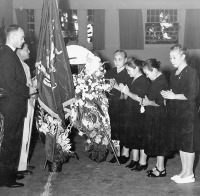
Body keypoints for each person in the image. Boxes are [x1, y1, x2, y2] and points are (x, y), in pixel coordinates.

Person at [161, 44, 200, 183]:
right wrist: (167, 95)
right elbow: (174, 93)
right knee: (182, 144)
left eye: (174, 57)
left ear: (183, 56)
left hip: (188, 113)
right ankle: (184, 171)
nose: (171, 60)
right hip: (177, 113)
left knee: (188, 145)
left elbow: (192, 95)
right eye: (170, 57)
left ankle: (189, 174)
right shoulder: (174, 73)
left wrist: (173, 96)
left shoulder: (191, 72)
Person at [0, 24, 32, 188]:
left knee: (14, 142)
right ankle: (5, 179)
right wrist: (29, 89)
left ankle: (10, 173)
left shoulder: (9, 54)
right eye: (21, 36)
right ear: (12, 37)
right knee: (9, 143)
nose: (23, 39)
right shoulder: (6, 55)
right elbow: (10, 83)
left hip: (14, 105)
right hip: (10, 106)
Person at [119, 57, 150, 170]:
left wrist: (127, 92)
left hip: (140, 113)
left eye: (129, 70)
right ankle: (135, 159)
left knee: (141, 139)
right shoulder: (132, 79)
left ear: (136, 68)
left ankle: (143, 162)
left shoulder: (144, 80)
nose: (128, 72)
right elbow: (127, 96)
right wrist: (123, 90)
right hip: (131, 112)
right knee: (134, 137)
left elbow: (141, 99)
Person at [142, 59, 169, 177]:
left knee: (159, 142)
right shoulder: (157, 79)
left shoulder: (161, 82)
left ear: (154, 70)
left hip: (159, 116)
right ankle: (158, 166)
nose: (147, 77)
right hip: (154, 115)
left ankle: (161, 169)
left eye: (147, 74)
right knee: (157, 142)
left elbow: (161, 102)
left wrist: (148, 103)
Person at [105, 50, 131, 164]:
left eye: (120, 59)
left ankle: (125, 153)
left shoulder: (128, 72)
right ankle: (116, 153)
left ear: (125, 60)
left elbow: (128, 90)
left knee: (124, 129)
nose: (117, 62)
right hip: (111, 104)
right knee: (114, 128)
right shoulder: (110, 72)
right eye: (115, 59)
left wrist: (115, 86)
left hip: (124, 105)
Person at [16, 43, 37, 176]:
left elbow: (28, 84)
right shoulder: (17, 66)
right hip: (21, 104)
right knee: (22, 135)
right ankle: (18, 166)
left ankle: (23, 164)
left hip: (29, 102)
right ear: (19, 51)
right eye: (26, 49)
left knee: (27, 134)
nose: (29, 51)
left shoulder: (25, 66)